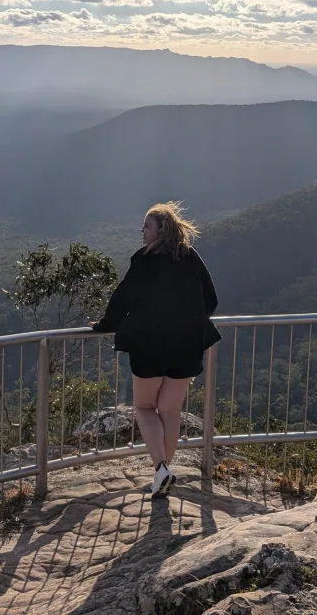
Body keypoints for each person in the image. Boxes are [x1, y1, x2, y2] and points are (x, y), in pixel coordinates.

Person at [91, 201, 220, 498]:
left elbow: (121, 300)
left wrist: (103, 325)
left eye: (146, 226)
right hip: (187, 345)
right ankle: (163, 476)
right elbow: (211, 300)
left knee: (145, 407)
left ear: (161, 230)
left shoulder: (145, 260)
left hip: (149, 345)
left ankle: (161, 469)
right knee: (171, 411)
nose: (142, 231)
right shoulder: (190, 257)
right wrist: (189, 321)